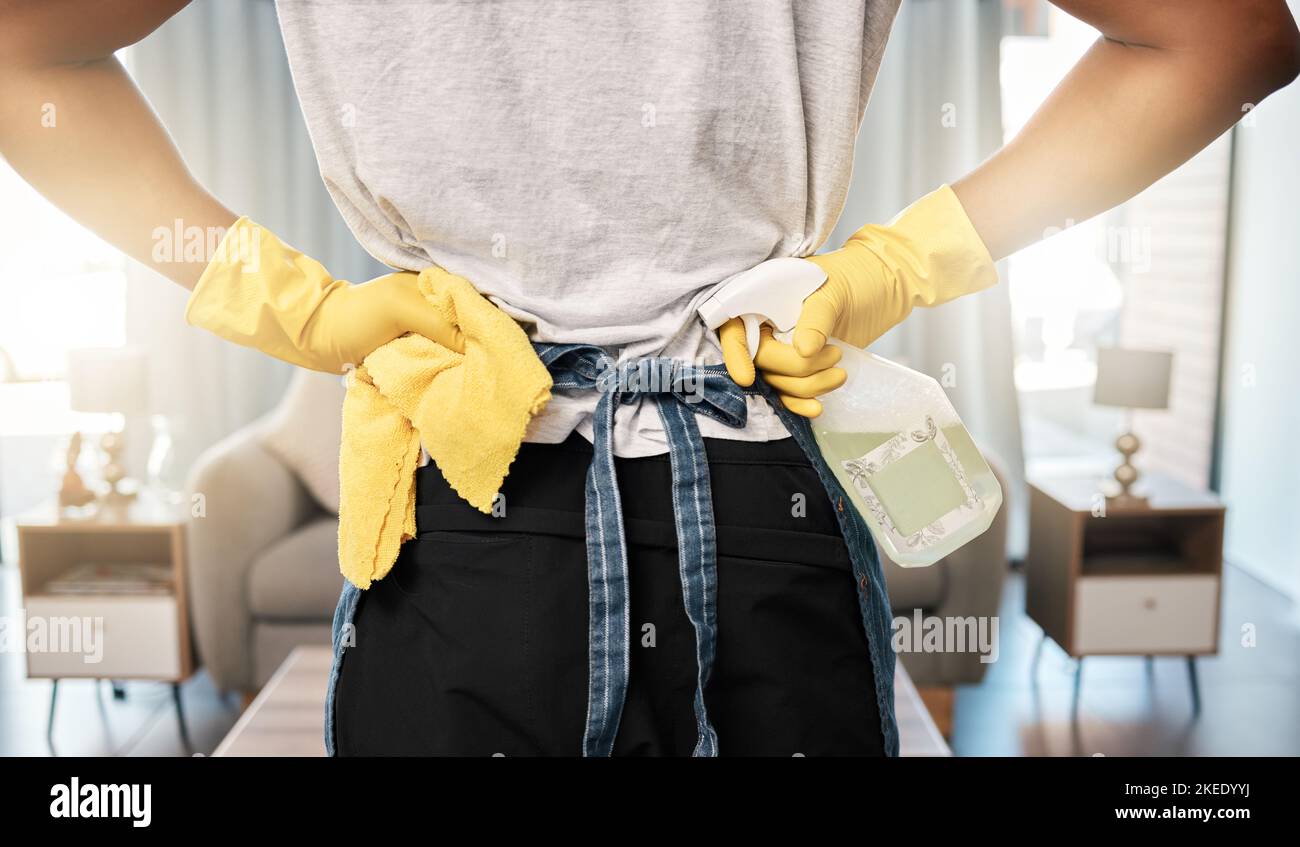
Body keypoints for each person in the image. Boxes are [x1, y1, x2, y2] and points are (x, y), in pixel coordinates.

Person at [2, 0, 1297, 757]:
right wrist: (894, 269)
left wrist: (305, 310)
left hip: (474, 509)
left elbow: (22, 52)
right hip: (758, 512)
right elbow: (1222, 37)